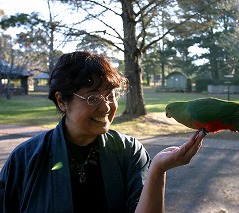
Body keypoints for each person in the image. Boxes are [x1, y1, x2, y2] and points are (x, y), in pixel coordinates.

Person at [0, 51, 206, 213]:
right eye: (93, 97)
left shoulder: (128, 151)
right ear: (62, 101)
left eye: (111, 95)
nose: (107, 107)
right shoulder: (26, 159)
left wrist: (158, 170)